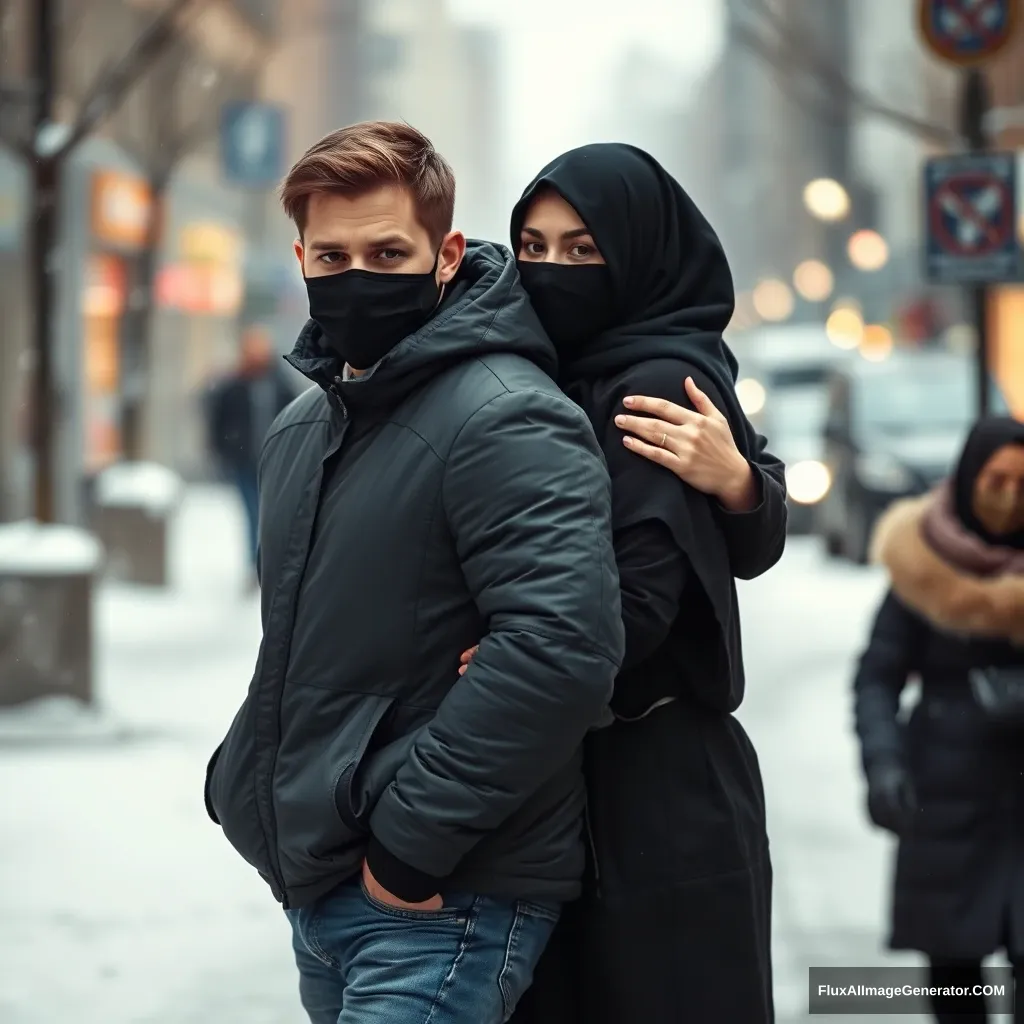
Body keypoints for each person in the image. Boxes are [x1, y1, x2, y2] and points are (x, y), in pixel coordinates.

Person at [202, 121, 625, 1024]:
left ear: (447, 254)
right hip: (329, 892)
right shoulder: (303, 428)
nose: (356, 276)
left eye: (388, 251)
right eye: (334, 254)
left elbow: (562, 648)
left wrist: (407, 846)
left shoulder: (506, 415)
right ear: (300, 259)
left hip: (444, 901)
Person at [462, 143, 787, 1023]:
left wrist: (507, 660)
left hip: (654, 795)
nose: (551, 270)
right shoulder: (560, 370)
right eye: (533, 245)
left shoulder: (651, 380)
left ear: (639, 253)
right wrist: (749, 489)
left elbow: (639, 606)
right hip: (584, 780)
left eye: (582, 249)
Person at [856, 417, 1024, 1023]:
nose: (1007, 496)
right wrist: (883, 763)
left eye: (1022, 482)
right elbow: (877, 675)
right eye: (995, 478)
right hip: (949, 806)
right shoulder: (923, 560)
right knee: (958, 993)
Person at [205, 324, 295, 586]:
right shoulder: (233, 386)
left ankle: (267, 562)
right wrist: (223, 451)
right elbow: (217, 421)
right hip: (244, 462)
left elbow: (297, 416)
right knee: (252, 513)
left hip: (275, 461)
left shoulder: (279, 384)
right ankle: (254, 564)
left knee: (269, 514)